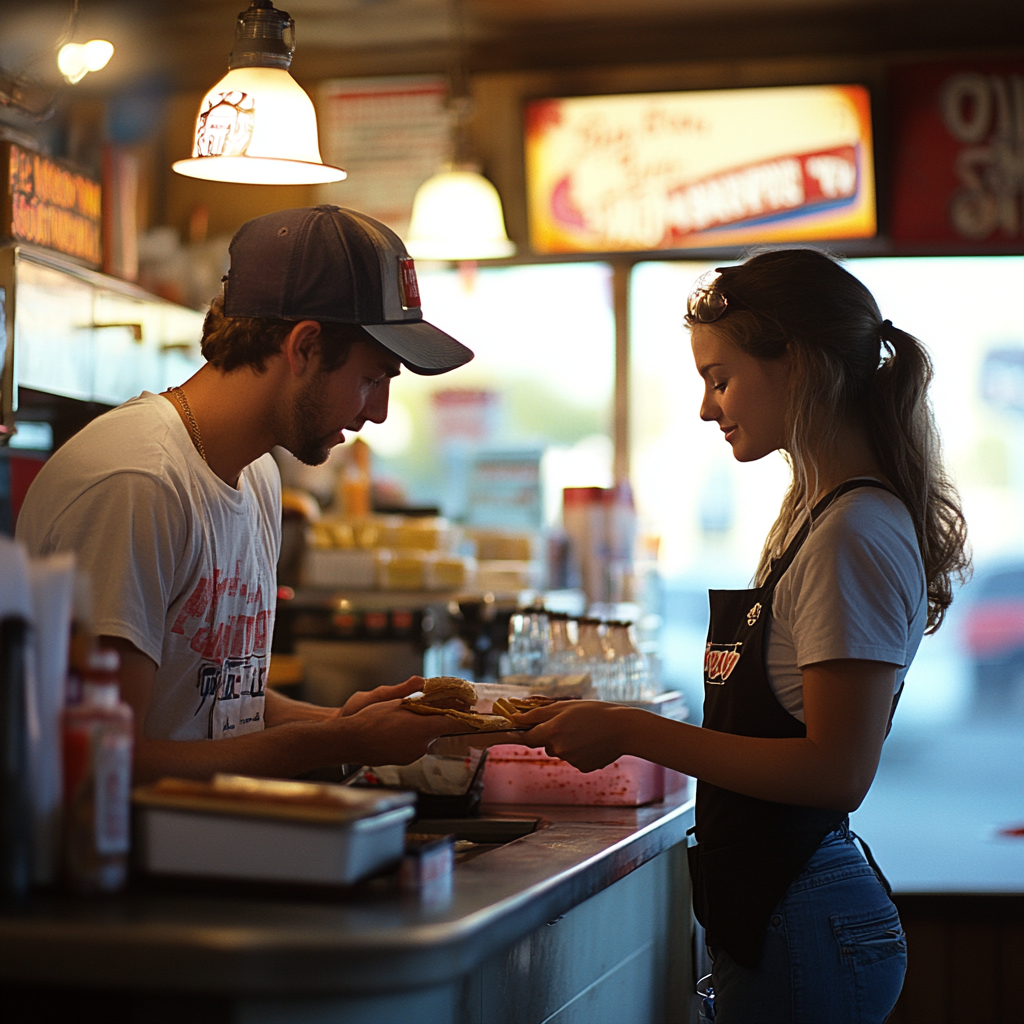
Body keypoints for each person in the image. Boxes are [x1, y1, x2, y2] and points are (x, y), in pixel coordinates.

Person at [515, 249, 970, 1023]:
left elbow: (836, 771)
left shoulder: (853, 531)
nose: (704, 407)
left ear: (794, 363)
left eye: (719, 378)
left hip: (808, 915)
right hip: (786, 906)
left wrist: (630, 729)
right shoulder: (813, 514)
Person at [17, 205, 474, 784]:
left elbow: (215, 701)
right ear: (304, 347)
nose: (378, 412)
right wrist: (334, 741)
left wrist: (341, 721)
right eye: (373, 377)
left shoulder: (258, 476)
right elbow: (108, 762)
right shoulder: (138, 483)